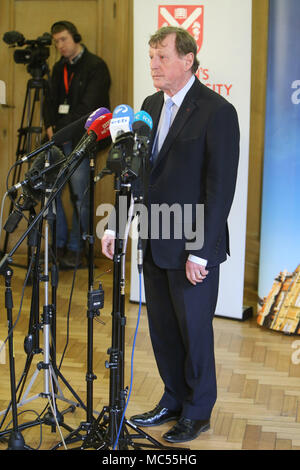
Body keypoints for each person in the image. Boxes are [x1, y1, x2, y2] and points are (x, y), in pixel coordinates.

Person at [102, 26, 240, 444]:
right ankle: (172, 398)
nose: (154, 65)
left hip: (192, 247)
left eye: (162, 57)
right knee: (162, 329)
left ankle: (197, 413)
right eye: (150, 57)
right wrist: (116, 224)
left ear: (188, 59)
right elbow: (134, 173)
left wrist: (201, 252)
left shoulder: (217, 111)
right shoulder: (147, 106)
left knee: (194, 332)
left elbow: (220, 189)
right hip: (154, 239)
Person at [44, 21, 111, 269]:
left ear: (75, 37)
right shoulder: (57, 67)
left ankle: (76, 248)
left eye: (63, 39)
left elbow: (90, 109)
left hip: (81, 140)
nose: (59, 45)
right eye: (56, 42)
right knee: (50, 194)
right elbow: (49, 101)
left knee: (80, 197)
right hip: (58, 139)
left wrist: (62, 130)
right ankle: (58, 244)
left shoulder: (95, 67)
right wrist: (50, 124)